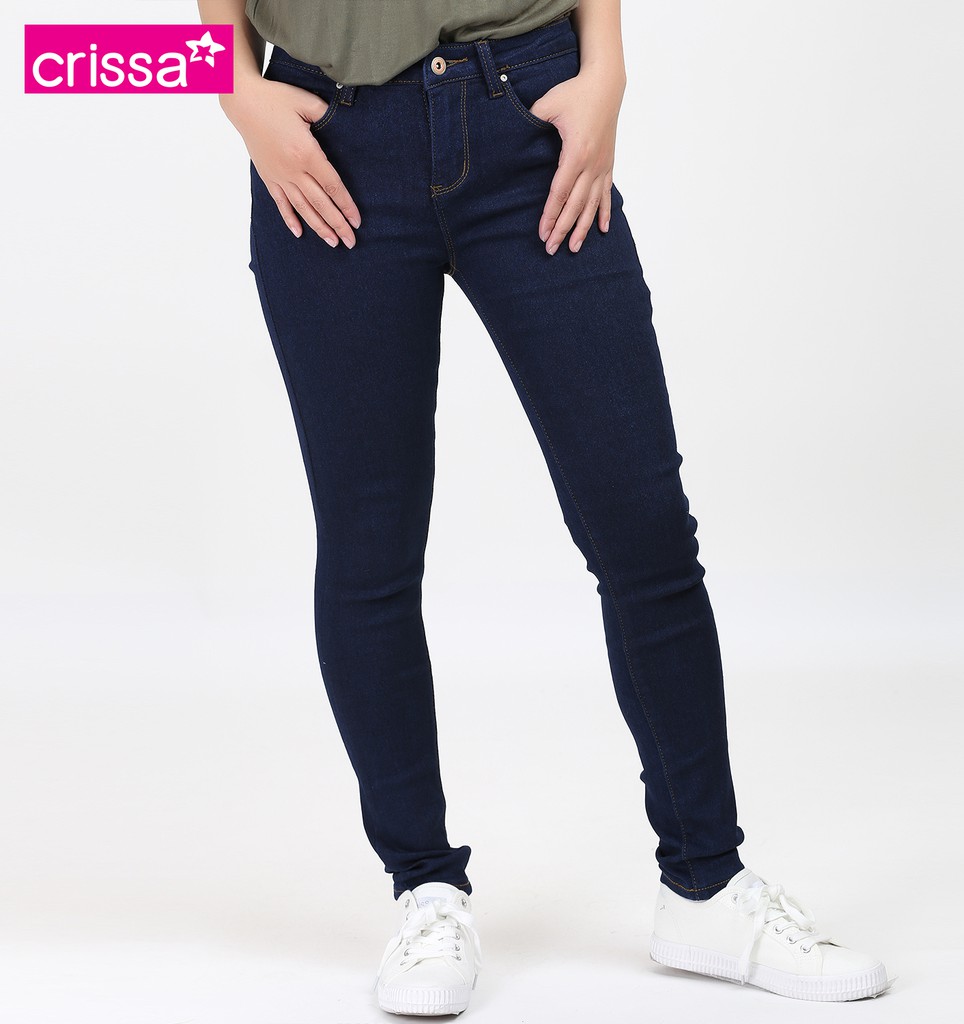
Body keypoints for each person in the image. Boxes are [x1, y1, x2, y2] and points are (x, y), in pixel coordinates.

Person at [199, 0, 891, 1014]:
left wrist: (606, 65)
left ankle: (705, 884)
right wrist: (232, 88)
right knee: (367, 544)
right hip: (328, 140)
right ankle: (425, 888)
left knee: (643, 526)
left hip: (525, 112)